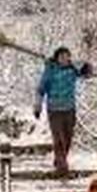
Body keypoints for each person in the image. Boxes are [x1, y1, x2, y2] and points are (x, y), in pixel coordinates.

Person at [33, 46, 93, 176]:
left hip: (69, 109)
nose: (65, 59)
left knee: (68, 137)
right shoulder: (50, 70)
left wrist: (87, 67)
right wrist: (38, 106)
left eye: (67, 56)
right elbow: (40, 89)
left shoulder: (72, 70)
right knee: (58, 138)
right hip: (54, 110)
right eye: (62, 56)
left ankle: (60, 159)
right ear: (57, 58)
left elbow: (87, 74)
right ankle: (62, 166)